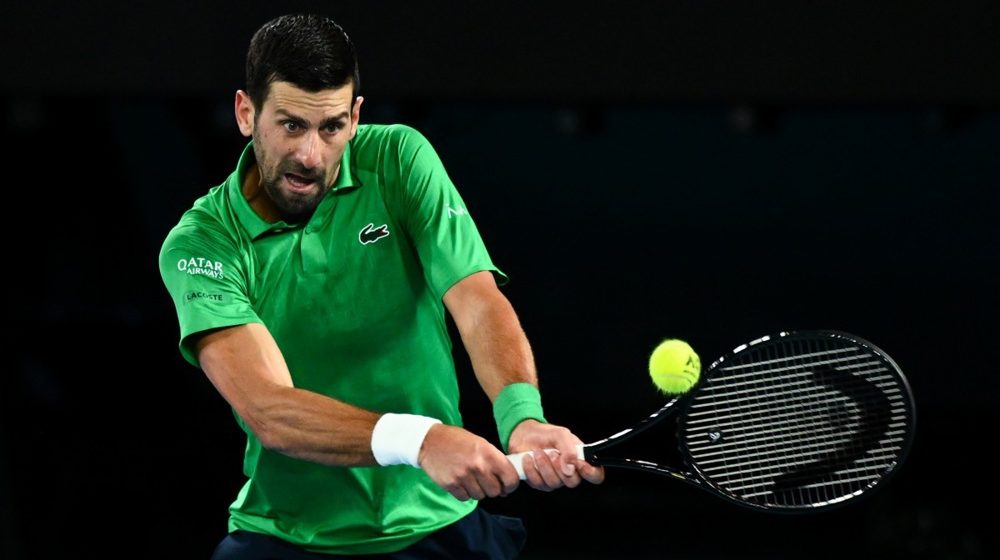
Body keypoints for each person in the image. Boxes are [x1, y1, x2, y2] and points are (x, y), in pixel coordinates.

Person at [158, 13, 604, 560]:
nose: (311, 156)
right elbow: (270, 409)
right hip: (287, 538)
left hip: (441, 525)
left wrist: (522, 416)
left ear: (355, 117)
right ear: (246, 113)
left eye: (332, 127)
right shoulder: (203, 244)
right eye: (291, 125)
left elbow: (476, 299)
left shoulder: (399, 159)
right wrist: (421, 441)